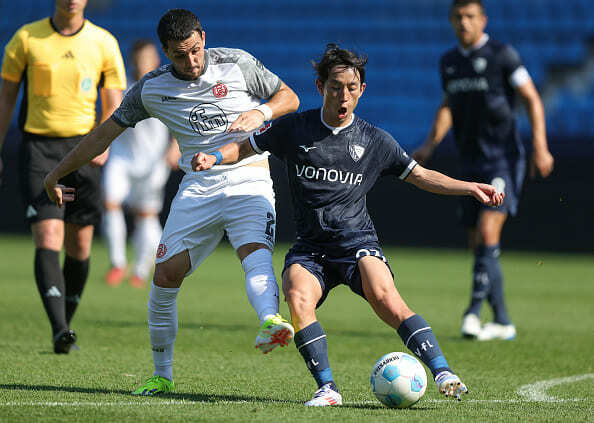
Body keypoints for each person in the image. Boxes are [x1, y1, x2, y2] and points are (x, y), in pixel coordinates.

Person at [192, 44, 505, 406]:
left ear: (362, 90)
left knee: (386, 296)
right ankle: (327, 389)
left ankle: (443, 371)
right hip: (311, 248)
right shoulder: (295, 129)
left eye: (352, 88)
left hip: (356, 242)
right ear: (320, 86)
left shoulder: (375, 141)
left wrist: (470, 188)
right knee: (296, 295)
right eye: (336, 87)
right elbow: (247, 145)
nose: (344, 95)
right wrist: (214, 156)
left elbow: (421, 177)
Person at [44, 9, 300, 394]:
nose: (192, 62)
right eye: (180, 56)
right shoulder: (151, 89)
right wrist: (56, 173)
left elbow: (289, 97)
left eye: (196, 50)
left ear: (202, 36)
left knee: (254, 251)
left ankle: (270, 320)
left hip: (249, 177)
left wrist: (259, 111)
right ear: (165, 52)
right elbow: (102, 136)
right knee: (164, 277)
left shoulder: (237, 63)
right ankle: (162, 375)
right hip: (198, 188)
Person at [413, 0, 554, 341]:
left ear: (483, 20)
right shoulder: (448, 62)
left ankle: (472, 314)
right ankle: (503, 320)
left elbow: (532, 98)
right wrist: (431, 144)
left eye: (470, 16)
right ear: (451, 20)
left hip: (503, 159)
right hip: (469, 163)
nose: (464, 22)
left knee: (489, 231)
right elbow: (448, 104)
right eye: (458, 17)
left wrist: (540, 146)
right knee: (477, 242)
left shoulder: (503, 55)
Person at [0, 0, 126, 354]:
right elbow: (7, 96)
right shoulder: (26, 38)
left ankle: (65, 324)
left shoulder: (103, 42)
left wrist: (106, 142)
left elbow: (113, 100)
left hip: (84, 149)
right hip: (39, 149)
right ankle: (59, 329)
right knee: (48, 234)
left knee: (80, 245)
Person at [102, 39, 180, 289]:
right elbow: (109, 113)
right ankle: (117, 262)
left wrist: (174, 148)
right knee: (110, 202)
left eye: (147, 57)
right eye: (139, 58)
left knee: (146, 216)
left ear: (156, 59)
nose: (143, 62)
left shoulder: (166, 88)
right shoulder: (122, 86)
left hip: (153, 161)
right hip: (122, 157)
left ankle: (143, 267)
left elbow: (178, 122)